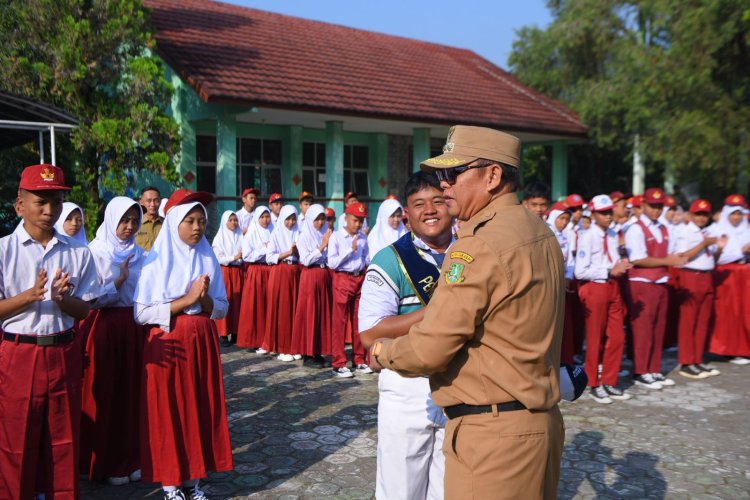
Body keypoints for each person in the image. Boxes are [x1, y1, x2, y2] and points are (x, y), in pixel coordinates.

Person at [369, 126, 565, 499]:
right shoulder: (538, 231)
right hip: (538, 424)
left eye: (453, 174)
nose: (444, 185)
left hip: (493, 436)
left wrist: (383, 352)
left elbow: (431, 347)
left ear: (492, 176)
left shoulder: (477, 247)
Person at [0, 164, 100, 499]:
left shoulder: (78, 252)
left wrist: (62, 299)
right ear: (20, 205)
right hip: (19, 353)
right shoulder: (3, 251)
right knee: (16, 439)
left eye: (55, 202)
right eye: (39, 201)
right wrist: (28, 297)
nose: (48, 210)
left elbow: (85, 309)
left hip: (63, 351)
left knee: (63, 440)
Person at [359, 171, 453, 500]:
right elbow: (369, 333)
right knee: (401, 487)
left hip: (461, 383)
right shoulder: (389, 260)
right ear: (407, 216)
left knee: (449, 487)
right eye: (419, 204)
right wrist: (431, 314)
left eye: (437, 201)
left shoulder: (471, 256)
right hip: (407, 384)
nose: (430, 210)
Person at [134, 189, 232, 500]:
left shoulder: (207, 255)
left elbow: (222, 306)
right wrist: (186, 300)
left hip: (201, 340)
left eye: (202, 221)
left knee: (198, 407)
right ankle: (170, 483)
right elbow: (142, 313)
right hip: (169, 341)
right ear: (175, 221)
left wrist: (203, 300)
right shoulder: (156, 261)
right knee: (171, 409)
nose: (197, 227)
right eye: (189, 220)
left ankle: (193, 480)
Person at [80, 196, 147, 485]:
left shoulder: (142, 254)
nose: (129, 227)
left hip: (134, 327)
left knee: (133, 393)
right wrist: (116, 283)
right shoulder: (95, 252)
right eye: (124, 220)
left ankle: (132, 456)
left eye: (134, 221)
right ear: (111, 220)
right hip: (106, 326)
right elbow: (88, 299)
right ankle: (107, 462)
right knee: (108, 392)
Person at [624, 187, 687, 390]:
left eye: (659, 207)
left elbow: (673, 253)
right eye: (652, 206)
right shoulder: (636, 228)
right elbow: (638, 258)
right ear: (642, 206)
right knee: (643, 329)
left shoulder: (663, 228)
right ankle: (641, 371)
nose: (656, 211)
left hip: (660, 282)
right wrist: (668, 260)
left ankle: (653, 368)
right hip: (642, 283)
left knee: (658, 328)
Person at [575, 195, 633, 404]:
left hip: (612, 286)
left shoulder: (612, 234)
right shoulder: (588, 236)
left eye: (609, 212)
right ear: (593, 214)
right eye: (603, 213)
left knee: (617, 336)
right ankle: (593, 382)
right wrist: (609, 270)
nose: (608, 216)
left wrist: (622, 263)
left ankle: (609, 380)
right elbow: (580, 271)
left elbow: (615, 258)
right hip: (596, 286)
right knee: (595, 337)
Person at [674, 199, 723, 378]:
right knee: (689, 321)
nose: (702, 218)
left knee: (703, 321)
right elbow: (682, 256)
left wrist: (719, 250)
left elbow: (712, 257)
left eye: (704, 214)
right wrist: (703, 244)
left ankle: (697, 359)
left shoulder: (708, 232)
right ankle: (687, 361)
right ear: (692, 215)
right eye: (698, 214)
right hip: (691, 275)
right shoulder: (685, 232)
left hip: (707, 275)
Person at [328, 202, 370, 378]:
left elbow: (367, 258)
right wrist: (349, 252)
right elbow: (332, 263)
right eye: (355, 220)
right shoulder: (336, 237)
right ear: (346, 218)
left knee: (359, 320)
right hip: (342, 278)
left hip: (359, 277)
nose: (358, 224)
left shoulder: (363, 238)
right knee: (340, 322)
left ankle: (359, 359)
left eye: (361, 221)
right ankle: (338, 362)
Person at [707, 194, 750, 364]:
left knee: (744, 312)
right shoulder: (717, 231)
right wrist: (741, 251)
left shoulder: (746, 229)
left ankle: (743, 347)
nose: (736, 217)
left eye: (739, 214)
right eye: (733, 213)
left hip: (745, 274)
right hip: (727, 274)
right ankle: (729, 349)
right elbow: (716, 257)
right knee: (728, 312)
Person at [292, 204, 333, 368]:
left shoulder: (324, 234)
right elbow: (306, 259)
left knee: (321, 313)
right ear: (310, 220)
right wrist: (322, 246)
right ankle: (307, 353)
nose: (321, 222)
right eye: (317, 219)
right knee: (310, 313)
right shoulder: (304, 236)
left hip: (323, 276)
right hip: (310, 276)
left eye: (323, 218)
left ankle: (318, 351)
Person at [262, 205, 301, 361]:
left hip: (296, 272)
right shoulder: (276, 234)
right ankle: (282, 347)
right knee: (283, 309)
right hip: (281, 272)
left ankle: (294, 345)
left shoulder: (299, 232)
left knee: (295, 309)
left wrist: (298, 251)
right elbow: (269, 257)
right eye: (288, 219)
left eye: (293, 219)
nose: (291, 222)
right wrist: (288, 252)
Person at [237, 206, 273, 351]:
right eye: (262, 217)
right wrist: (264, 250)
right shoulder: (251, 233)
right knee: (255, 305)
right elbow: (247, 255)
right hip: (256, 271)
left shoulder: (273, 230)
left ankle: (268, 338)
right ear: (257, 218)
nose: (265, 220)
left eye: (267, 217)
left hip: (270, 270)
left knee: (268, 305)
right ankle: (253, 339)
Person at [547, 201, 576, 365]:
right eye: (562, 218)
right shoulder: (546, 232)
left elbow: (570, 262)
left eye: (567, 219)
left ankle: (565, 359)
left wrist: (568, 278)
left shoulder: (564, 237)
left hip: (562, 285)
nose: (564, 222)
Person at [212, 210, 244, 346]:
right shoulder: (219, 238)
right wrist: (233, 257)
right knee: (226, 299)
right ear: (225, 222)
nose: (233, 223)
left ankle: (236, 332)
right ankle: (223, 334)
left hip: (239, 271)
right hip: (225, 271)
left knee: (238, 301)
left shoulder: (240, 234)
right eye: (230, 220)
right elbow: (218, 257)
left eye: (235, 220)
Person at [135, 186, 164, 251]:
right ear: (141, 202)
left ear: (160, 202)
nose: (153, 204)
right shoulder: (135, 224)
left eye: (156, 200)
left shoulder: (166, 224)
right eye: (149, 201)